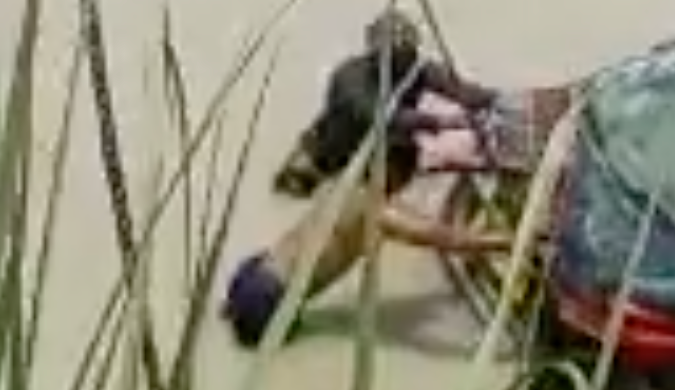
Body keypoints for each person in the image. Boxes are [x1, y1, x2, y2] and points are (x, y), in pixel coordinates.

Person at [218, 149, 530, 350]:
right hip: (269, 303)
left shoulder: (341, 182)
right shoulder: (379, 214)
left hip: (249, 275)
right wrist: (512, 240)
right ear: (397, 176)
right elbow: (451, 240)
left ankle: (231, 311)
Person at [272, 10, 504, 198]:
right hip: (330, 156)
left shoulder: (416, 69)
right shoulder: (349, 77)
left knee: (392, 177)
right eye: (396, 53)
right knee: (296, 190)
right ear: (375, 53)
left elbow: (462, 92)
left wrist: (499, 100)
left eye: (408, 51)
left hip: (380, 156)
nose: (404, 57)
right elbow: (381, 115)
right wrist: (442, 122)